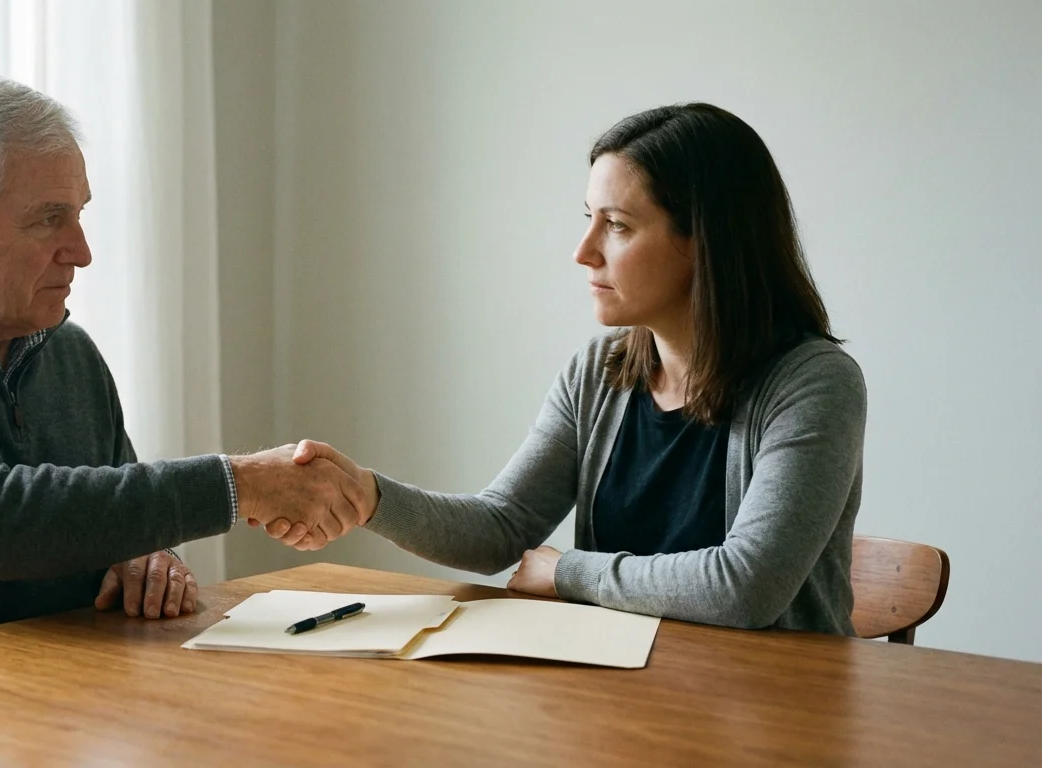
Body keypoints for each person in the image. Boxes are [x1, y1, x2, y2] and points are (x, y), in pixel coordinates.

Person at [0, 75, 364, 665]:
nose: (81, 250)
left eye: (79, 214)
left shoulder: (71, 352)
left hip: (44, 699)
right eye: (47, 219)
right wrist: (240, 484)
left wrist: (150, 557)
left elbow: (117, 519)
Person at [277, 103, 867, 634]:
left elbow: (746, 588)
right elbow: (501, 527)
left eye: (617, 225)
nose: (583, 251)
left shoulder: (815, 384)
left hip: (773, 714)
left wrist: (569, 574)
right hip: (618, 699)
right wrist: (367, 495)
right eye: (589, 217)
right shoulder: (598, 373)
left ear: (706, 242)